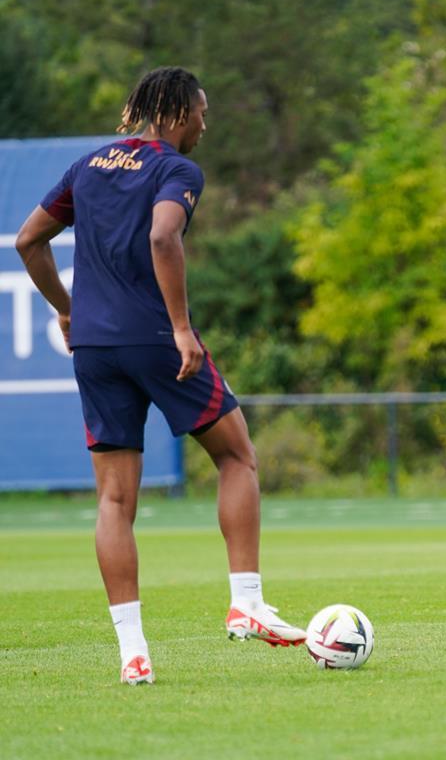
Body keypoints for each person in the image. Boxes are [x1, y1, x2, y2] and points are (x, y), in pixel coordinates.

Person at [15, 67, 306, 686]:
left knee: (115, 500)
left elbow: (27, 240)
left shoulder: (89, 165)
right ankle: (247, 603)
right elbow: (163, 234)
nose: (205, 123)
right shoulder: (175, 169)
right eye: (202, 111)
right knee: (236, 455)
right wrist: (180, 327)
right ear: (175, 113)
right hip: (155, 340)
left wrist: (66, 311)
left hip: (93, 347)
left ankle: (133, 653)